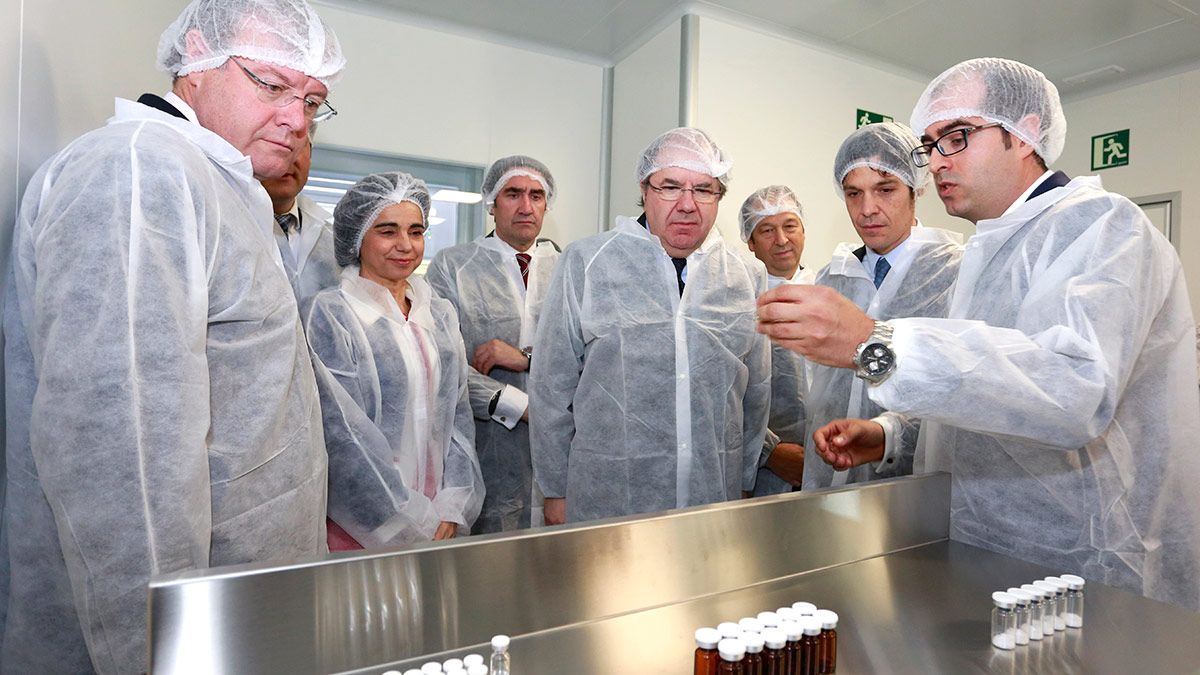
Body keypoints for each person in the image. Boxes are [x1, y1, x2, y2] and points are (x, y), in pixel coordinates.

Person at [757, 57, 1200, 609]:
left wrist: (875, 343)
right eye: (930, 145)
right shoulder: (986, 254)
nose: (937, 162)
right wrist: (892, 435)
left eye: (958, 137)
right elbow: (985, 394)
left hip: (1085, 559)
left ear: (1027, 133)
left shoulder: (1105, 227)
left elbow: (1072, 390)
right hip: (982, 548)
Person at [0, 0, 345, 670]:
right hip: (175, 637)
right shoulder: (138, 170)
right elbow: (123, 464)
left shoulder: (215, 186)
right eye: (271, 85)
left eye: (313, 99)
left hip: (237, 611)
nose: (297, 119)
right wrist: (159, 653)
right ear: (196, 55)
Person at [530, 127, 771, 525]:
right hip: (608, 498)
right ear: (645, 189)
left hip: (712, 496)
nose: (687, 204)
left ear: (720, 197)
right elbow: (551, 386)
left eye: (704, 190)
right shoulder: (587, 262)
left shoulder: (746, 274)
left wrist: (744, 476)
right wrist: (555, 490)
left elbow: (756, 392)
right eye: (671, 187)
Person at [306, 172, 485, 549]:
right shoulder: (333, 314)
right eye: (388, 231)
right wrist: (403, 520)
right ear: (357, 238)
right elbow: (343, 439)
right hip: (363, 527)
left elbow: (457, 417)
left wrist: (453, 505)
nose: (405, 245)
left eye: (416, 232)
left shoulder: (438, 312)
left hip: (440, 518)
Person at [802, 123, 962, 490]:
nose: (867, 209)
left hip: (915, 485)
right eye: (853, 193)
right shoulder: (833, 277)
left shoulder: (953, 271)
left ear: (915, 188)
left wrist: (890, 435)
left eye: (885, 189)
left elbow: (956, 389)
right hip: (827, 472)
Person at [426, 156, 560, 533]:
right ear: (491, 203)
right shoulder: (453, 267)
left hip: (561, 455)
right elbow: (444, 361)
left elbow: (589, 354)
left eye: (536, 195)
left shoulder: (568, 267)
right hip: (487, 447)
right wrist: (522, 406)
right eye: (512, 194)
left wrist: (526, 357)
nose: (525, 206)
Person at [737, 186, 811, 494]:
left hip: (831, 459)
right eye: (767, 230)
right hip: (766, 469)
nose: (781, 240)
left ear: (804, 231)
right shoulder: (737, 301)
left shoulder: (831, 290)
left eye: (790, 226)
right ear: (751, 243)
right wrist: (771, 451)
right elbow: (724, 390)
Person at [261, 132, 339, 309]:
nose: (288, 159)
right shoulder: (225, 228)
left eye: (298, 147)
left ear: (310, 157)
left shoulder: (333, 243)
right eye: (278, 147)